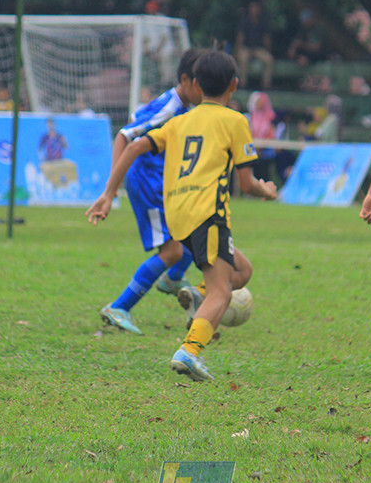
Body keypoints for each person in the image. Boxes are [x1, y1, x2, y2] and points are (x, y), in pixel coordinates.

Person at [86, 50, 278, 381]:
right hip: (208, 214)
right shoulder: (235, 121)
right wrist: (268, 190)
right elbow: (246, 184)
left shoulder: (179, 121)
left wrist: (108, 194)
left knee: (242, 271)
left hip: (177, 215)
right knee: (222, 292)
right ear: (234, 85)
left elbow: (132, 146)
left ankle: (197, 298)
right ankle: (189, 351)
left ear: (198, 85)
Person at [90, 49, 204, 335]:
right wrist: (110, 190)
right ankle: (119, 306)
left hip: (165, 184)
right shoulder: (170, 107)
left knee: (194, 233)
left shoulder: (184, 107)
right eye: (202, 84)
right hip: (148, 184)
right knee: (171, 250)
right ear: (186, 80)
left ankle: (172, 279)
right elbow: (125, 136)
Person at [234, 0, 274, 90]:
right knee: (243, 59)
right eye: (252, 7)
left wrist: (268, 51)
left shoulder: (263, 22)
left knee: (269, 60)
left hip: (258, 49)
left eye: (256, 7)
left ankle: (266, 85)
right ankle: (242, 85)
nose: (254, 10)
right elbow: (240, 38)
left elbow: (266, 39)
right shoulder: (244, 22)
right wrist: (237, 51)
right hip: (246, 48)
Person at [247, 91, 277, 182]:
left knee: (263, 162)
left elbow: (271, 134)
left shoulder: (269, 118)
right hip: (251, 147)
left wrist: (261, 147)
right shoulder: (248, 117)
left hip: (265, 149)